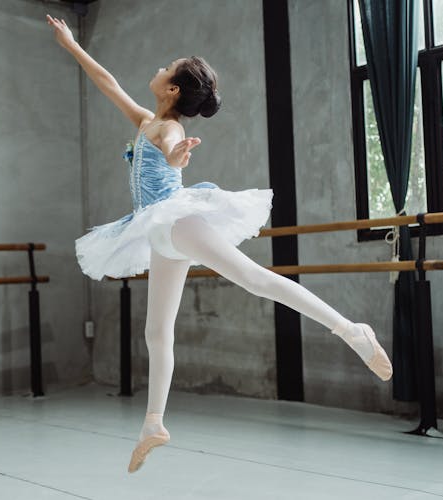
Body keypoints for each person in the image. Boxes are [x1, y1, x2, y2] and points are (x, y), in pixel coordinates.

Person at [46, 14, 392, 474]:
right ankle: (153, 423)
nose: (158, 67)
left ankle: (351, 330)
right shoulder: (146, 119)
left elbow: (171, 147)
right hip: (159, 235)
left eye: (167, 67)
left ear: (172, 90)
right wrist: (71, 45)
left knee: (254, 279)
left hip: (177, 220)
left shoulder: (166, 129)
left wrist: (177, 154)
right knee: (157, 331)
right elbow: (107, 82)